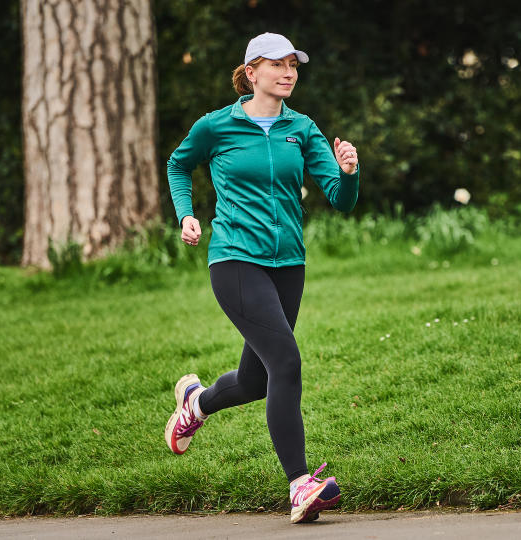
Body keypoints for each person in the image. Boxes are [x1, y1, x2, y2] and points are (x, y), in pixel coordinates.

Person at [163, 32, 360, 524]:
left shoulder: (302, 128)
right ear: (251, 73)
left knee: (256, 380)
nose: (289, 72)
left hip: (289, 264)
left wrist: (348, 172)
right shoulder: (218, 126)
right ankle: (300, 485)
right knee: (287, 361)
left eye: (294, 64)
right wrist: (186, 214)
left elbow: (341, 198)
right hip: (235, 261)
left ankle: (196, 403)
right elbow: (178, 163)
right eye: (278, 64)